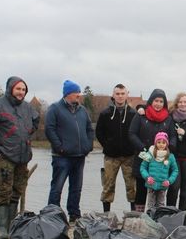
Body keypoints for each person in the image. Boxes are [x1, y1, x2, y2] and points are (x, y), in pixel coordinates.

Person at [0, 77, 39, 239]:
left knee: (16, 191)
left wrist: (29, 131)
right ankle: (1, 229)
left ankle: (11, 226)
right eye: (18, 89)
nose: (21, 92)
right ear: (10, 89)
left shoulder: (28, 107)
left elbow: (36, 119)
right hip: (4, 156)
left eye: (23, 90)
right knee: (2, 191)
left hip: (23, 156)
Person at [45, 80, 94, 222]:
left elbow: (89, 129)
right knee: (57, 187)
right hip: (61, 157)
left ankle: (74, 214)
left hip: (80, 156)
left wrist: (88, 145)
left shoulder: (82, 110)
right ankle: (52, 215)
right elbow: (49, 129)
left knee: (76, 188)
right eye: (76, 93)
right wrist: (59, 147)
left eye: (79, 93)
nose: (79, 95)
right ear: (68, 94)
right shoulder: (54, 108)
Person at [129, 89, 175, 213]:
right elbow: (132, 134)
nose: (158, 104)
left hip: (161, 161)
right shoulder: (141, 115)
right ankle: (138, 216)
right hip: (144, 157)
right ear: (151, 101)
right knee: (141, 190)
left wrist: (170, 147)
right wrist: (143, 148)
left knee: (159, 192)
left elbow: (173, 136)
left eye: (161, 101)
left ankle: (156, 215)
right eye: (156, 101)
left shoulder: (168, 119)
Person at [95, 84, 136, 212]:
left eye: (122, 93)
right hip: (110, 157)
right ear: (113, 95)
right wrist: (107, 146)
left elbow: (137, 132)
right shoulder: (105, 113)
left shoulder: (133, 113)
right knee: (108, 186)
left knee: (132, 187)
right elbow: (99, 133)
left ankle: (133, 214)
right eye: (117, 93)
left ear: (127, 95)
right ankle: (106, 214)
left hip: (129, 156)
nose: (120, 96)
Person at [140, 131, 178, 210]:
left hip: (163, 185)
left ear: (166, 144)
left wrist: (169, 181)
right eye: (159, 142)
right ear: (155, 143)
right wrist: (147, 177)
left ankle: (159, 219)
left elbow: (175, 170)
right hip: (151, 185)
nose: (161, 144)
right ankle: (150, 220)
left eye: (163, 142)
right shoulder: (150, 154)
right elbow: (143, 167)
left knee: (161, 205)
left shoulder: (170, 156)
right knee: (151, 205)